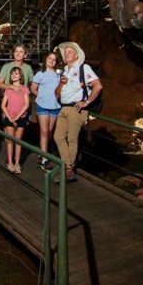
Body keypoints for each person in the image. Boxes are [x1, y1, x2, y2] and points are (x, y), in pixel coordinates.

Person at [53, 41, 102, 183]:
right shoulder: (64, 71)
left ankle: (68, 169)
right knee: (58, 137)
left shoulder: (83, 68)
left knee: (72, 138)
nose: (67, 54)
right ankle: (68, 166)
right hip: (63, 108)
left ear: (76, 55)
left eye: (70, 52)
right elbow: (56, 94)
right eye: (65, 52)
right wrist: (61, 83)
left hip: (76, 108)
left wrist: (86, 102)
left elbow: (97, 86)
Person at [30, 51, 62, 171]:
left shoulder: (58, 75)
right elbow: (33, 88)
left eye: (54, 59)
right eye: (50, 58)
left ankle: (43, 152)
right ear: (46, 59)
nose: (52, 61)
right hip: (42, 105)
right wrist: (41, 96)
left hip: (55, 106)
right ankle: (44, 159)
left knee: (49, 132)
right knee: (44, 131)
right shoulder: (40, 73)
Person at [0, 66, 30, 173]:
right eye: (12, 74)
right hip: (9, 117)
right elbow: (3, 105)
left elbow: (26, 104)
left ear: (20, 76)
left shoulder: (24, 88)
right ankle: (10, 162)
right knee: (10, 141)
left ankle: (17, 163)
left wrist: (17, 117)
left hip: (20, 117)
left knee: (18, 141)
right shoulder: (8, 89)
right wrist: (9, 117)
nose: (14, 75)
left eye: (16, 73)